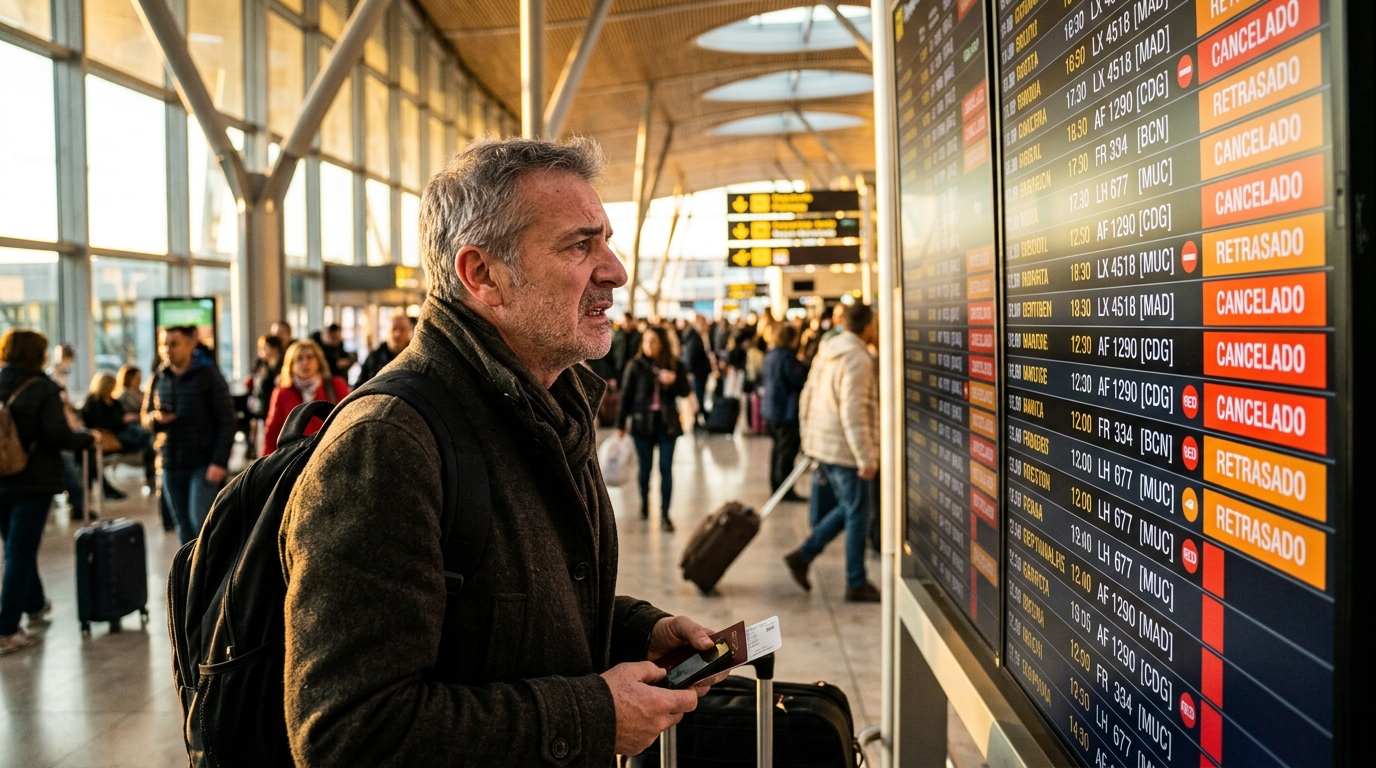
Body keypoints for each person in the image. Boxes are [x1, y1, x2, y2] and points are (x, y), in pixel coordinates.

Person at [279, 138, 724, 765]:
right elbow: (350, 734)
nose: (616, 270)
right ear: (482, 274)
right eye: (580, 244)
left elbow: (501, 612)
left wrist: (637, 633)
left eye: (606, 239)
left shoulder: (548, 408)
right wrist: (593, 715)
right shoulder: (387, 445)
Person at [0, 329, 98, 654]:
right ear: (37, 354)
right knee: (20, 552)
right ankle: (7, 628)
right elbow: (57, 434)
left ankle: (36, 603)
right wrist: (86, 437)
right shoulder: (41, 388)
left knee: (15, 547)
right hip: (33, 480)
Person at [783, 303, 881, 603]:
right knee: (857, 513)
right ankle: (855, 581)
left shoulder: (827, 349)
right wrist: (866, 457)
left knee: (850, 508)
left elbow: (808, 394)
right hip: (843, 448)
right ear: (866, 327)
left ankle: (803, 556)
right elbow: (853, 410)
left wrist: (807, 436)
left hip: (823, 442)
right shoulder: (858, 358)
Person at [142, 326, 236, 545]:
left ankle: (209, 574)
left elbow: (227, 420)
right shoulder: (159, 376)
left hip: (202, 463)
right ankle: (190, 576)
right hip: (170, 463)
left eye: (174, 343)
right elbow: (145, 417)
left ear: (191, 345)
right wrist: (156, 419)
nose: (167, 349)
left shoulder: (208, 375)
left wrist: (219, 461)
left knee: (201, 523)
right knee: (183, 526)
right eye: (164, 344)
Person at [617, 326, 690, 530]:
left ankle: (665, 513)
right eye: (646, 341)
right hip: (642, 424)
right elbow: (626, 396)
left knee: (666, 469)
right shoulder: (636, 366)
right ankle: (644, 503)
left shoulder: (673, 364)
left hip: (666, 425)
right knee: (645, 470)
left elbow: (685, 391)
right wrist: (620, 424)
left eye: (654, 341)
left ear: (662, 344)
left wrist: (674, 380)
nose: (649, 345)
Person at [261, 339, 350, 455]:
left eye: (310, 357)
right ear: (291, 365)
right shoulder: (281, 393)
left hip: (332, 455)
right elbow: (272, 433)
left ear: (319, 361)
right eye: (299, 359)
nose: (305, 363)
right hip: (294, 459)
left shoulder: (336, 385)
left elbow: (349, 421)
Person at [79, 373, 153, 500]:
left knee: (146, 435)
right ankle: (150, 476)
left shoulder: (113, 401)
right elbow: (99, 422)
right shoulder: (93, 403)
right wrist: (122, 420)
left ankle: (151, 475)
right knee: (145, 438)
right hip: (109, 435)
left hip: (122, 431)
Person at [761, 324, 809, 500]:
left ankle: (776, 486)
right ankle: (785, 489)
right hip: (785, 410)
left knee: (777, 450)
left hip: (771, 408)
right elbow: (796, 379)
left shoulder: (770, 356)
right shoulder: (787, 358)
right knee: (786, 452)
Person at [246, 335, 284, 456]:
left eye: (265, 347)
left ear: (275, 349)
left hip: (275, 409)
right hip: (261, 409)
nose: (262, 350)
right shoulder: (261, 364)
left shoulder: (283, 366)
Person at [355, 314, 415, 386]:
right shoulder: (374, 358)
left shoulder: (415, 358)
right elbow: (359, 387)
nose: (397, 334)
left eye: (402, 329)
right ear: (387, 332)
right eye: (394, 329)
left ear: (409, 332)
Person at [680, 315, 713, 428]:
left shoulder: (699, 337)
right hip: (698, 373)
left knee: (700, 396)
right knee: (698, 397)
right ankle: (698, 419)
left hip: (699, 373)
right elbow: (690, 359)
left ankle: (701, 417)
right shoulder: (695, 339)